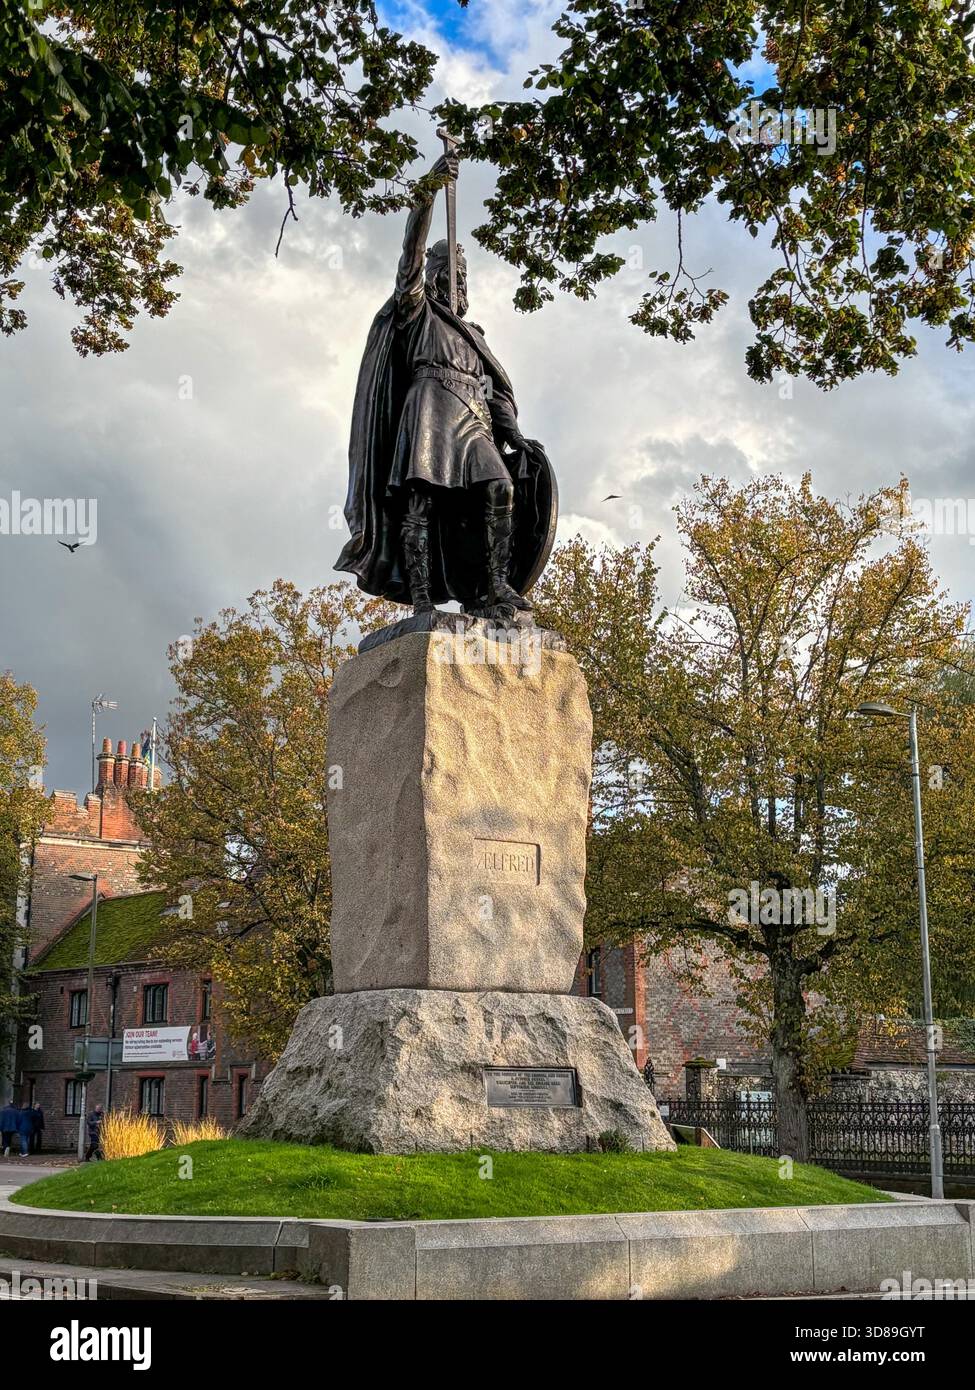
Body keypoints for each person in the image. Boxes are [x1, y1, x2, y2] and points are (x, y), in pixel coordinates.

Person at [337, 150, 555, 620]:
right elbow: (410, 251)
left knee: (499, 488)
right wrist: (429, 190)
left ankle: (495, 587)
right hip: (430, 409)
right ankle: (419, 600)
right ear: (432, 274)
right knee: (421, 504)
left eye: (460, 274)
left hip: (473, 417)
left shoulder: (474, 336)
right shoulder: (416, 310)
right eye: (447, 271)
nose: (455, 279)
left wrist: (511, 430)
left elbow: (495, 390)